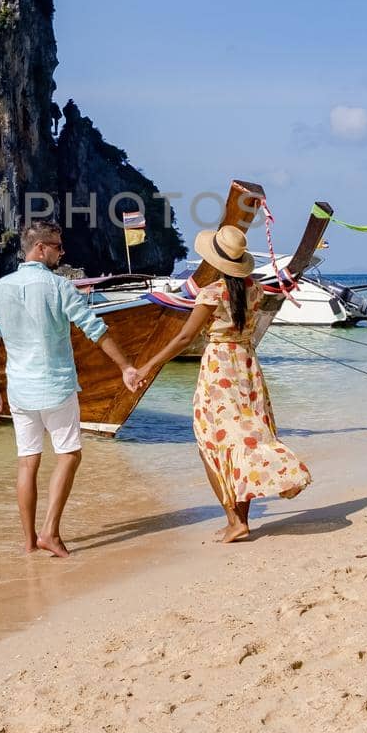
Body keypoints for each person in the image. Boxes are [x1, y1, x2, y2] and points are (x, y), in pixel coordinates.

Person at [135, 224, 311, 543]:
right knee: (247, 437)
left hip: (219, 368)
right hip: (247, 365)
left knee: (212, 444)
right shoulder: (255, 289)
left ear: (216, 260)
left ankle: (235, 519)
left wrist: (149, 364)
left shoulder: (212, 293)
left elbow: (186, 336)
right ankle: (240, 519)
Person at [0, 221, 142, 558]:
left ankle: (28, 543)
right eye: (57, 246)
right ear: (40, 248)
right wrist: (126, 366)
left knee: (27, 463)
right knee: (69, 454)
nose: (61, 252)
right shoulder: (58, 287)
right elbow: (94, 329)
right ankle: (50, 532)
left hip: (19, 390)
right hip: (56, 386)